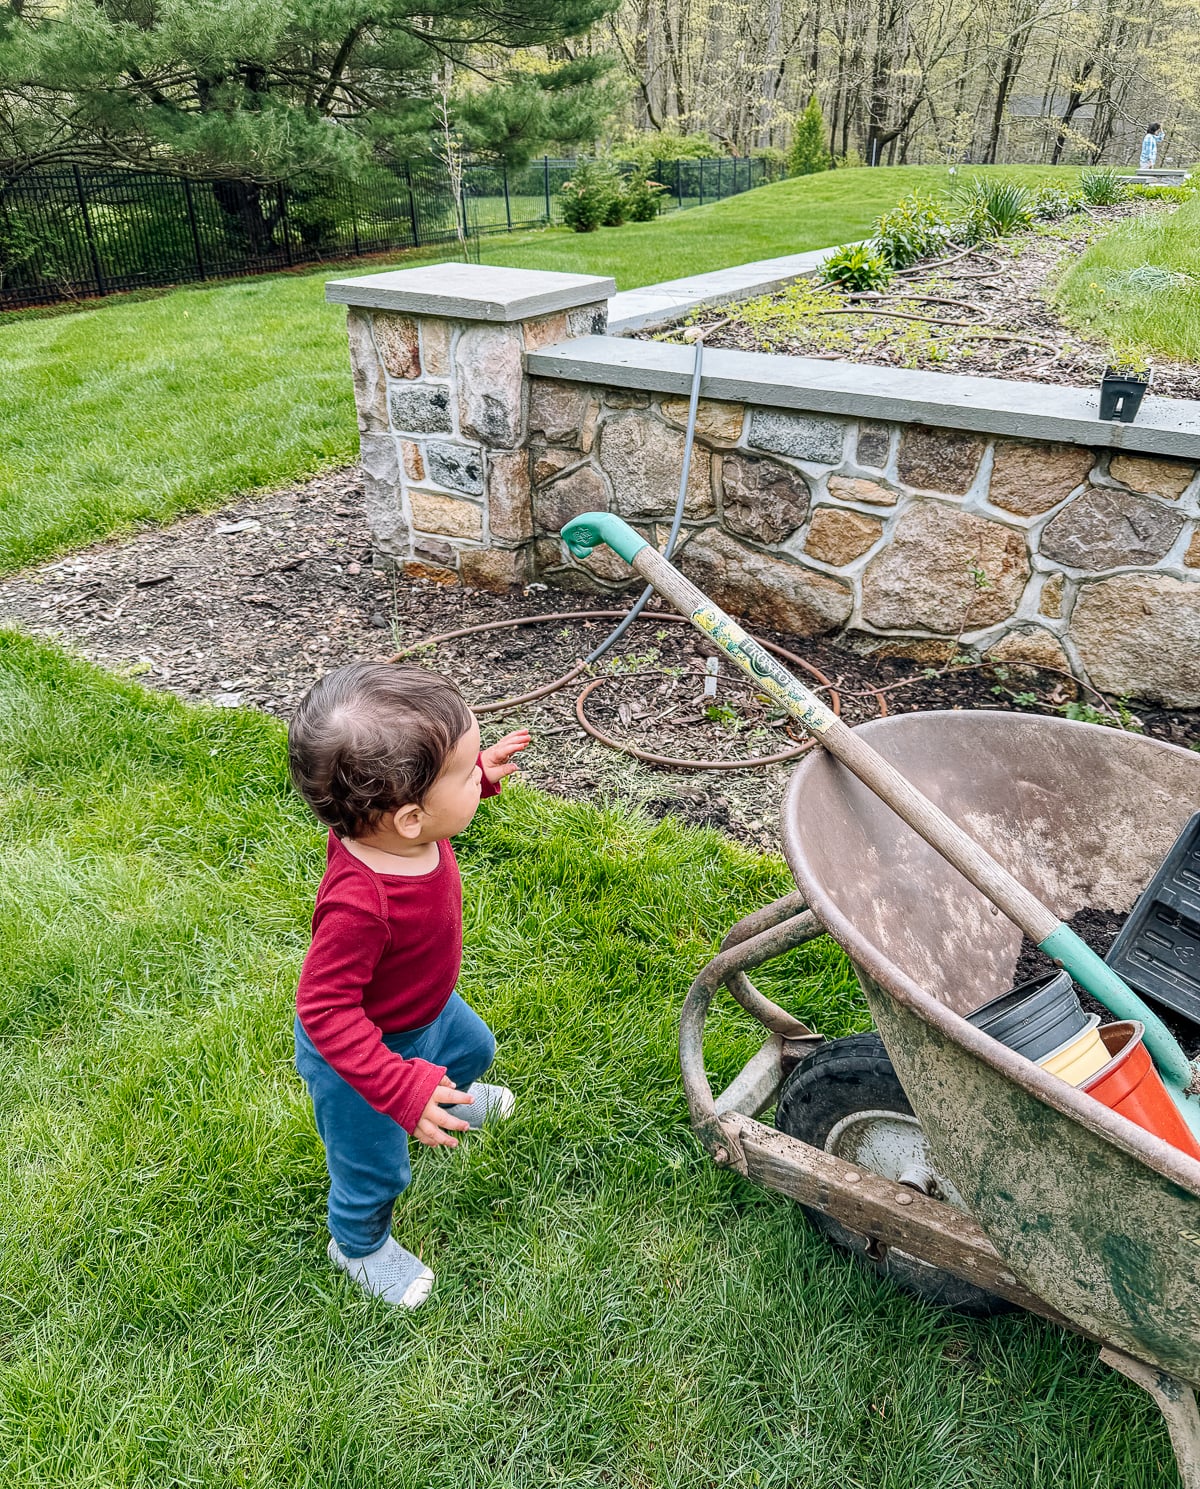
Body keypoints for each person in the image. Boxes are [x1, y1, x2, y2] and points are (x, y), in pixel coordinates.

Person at [288, 662, 530, 1307]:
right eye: (465, 769)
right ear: (411, 818)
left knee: (474, 1048)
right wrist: (398, 1086)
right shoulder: (360, 904)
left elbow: (435, 802)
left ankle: (448, 1094)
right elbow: (323, 1007)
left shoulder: (394, 830)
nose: (477, 773)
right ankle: (358, 1244)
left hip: (426, 1009)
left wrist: (478, 780)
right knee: (375, 1166)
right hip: (361, 1052)